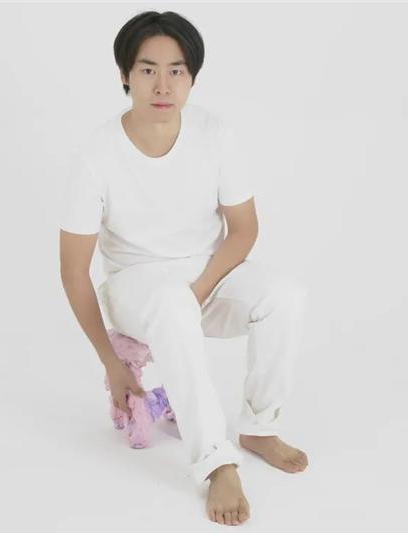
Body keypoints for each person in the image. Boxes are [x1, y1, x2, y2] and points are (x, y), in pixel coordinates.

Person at [58, 10, 309, 527]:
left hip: (206, 274)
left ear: (192, 76)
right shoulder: (95, 155)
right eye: (148, 69)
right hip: (136, 286)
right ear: (125, 74)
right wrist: (111, 362)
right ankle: (216, 462)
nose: (163, 85)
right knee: (172, 304)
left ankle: (260, 426)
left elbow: (243, 229)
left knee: (283, 295)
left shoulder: (215, 134)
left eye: (177, 70)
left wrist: (200, 288)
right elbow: (74, 271)